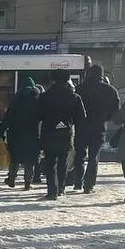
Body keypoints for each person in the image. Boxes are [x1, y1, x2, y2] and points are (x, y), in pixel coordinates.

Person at [37, 70, 87, 201]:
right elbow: (81, 117)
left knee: (50, 162)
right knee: (63, 163)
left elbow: (38, 115)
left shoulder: (44, 97)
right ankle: (61, 189)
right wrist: (68, 123)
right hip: (66, 134)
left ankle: (51, 190)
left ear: (52, 80)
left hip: (49, 133)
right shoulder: (74, 97)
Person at [72, 63, 121, 193]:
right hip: (99, 127)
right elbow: (115, 111)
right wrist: (105, 118)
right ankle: (89, 185)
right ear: (102, 74)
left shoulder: (79, 89)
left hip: (81, 127)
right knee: (94, 156)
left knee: (80, 155)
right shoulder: (110, 90)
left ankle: (77, 182)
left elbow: (72, 108)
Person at [0, 80, 43, 190]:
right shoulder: (37, 100)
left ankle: (11, 179)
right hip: (33, 135)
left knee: (14, 158)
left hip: (15, 135)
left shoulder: (15, 100)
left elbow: (7, 119)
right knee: (30, 161)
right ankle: (27, 183)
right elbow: (42, 117)